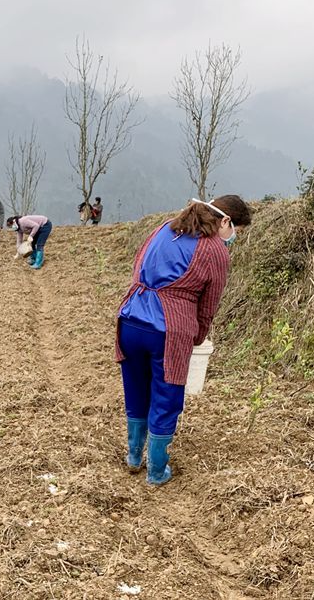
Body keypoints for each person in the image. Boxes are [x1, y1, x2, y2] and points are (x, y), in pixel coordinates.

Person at [115, 195, 251, 486]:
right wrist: (197, 337)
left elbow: (139, 265)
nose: (233, 236)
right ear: (225, 221)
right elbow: (208, 305)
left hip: (130, 317)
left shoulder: (165, 227)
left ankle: (134, 457)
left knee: (136, 389)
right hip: (168, 327)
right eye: (235, 228)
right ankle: (156, 470)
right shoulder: (215, 250)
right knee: (166, 397)